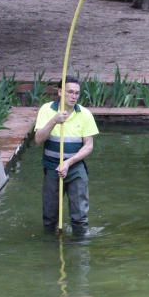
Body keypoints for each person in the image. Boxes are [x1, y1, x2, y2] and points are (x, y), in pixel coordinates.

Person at [34, 76, 99, 236]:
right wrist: (54, 121)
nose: (74, 96)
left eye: (77, 93)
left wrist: (69, 162)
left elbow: (89, 146)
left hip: (75, 168)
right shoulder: (47, 110)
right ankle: (49, 248)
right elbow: (38, 140)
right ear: (60, 92)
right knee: (49, 217)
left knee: (80, 217)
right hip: (51, 168)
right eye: (70, 92)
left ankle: (80, 250)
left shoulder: (84, 114)